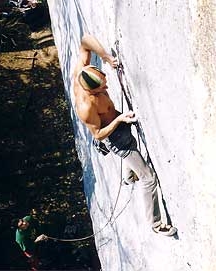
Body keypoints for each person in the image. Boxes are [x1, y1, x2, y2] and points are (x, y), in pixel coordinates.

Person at [73, 34, 177, 236]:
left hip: (119, 120)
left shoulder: (82, 72)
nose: (107, 86)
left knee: (134, 160)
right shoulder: (85, 107)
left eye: (104, 81)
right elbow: (99, 135)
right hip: (115, 138)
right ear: (91, 92)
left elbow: (85, 40)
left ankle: (128, 178)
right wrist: (119, 120)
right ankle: (156, 224)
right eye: (102, 87)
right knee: (148, 178)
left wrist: (105, 56)